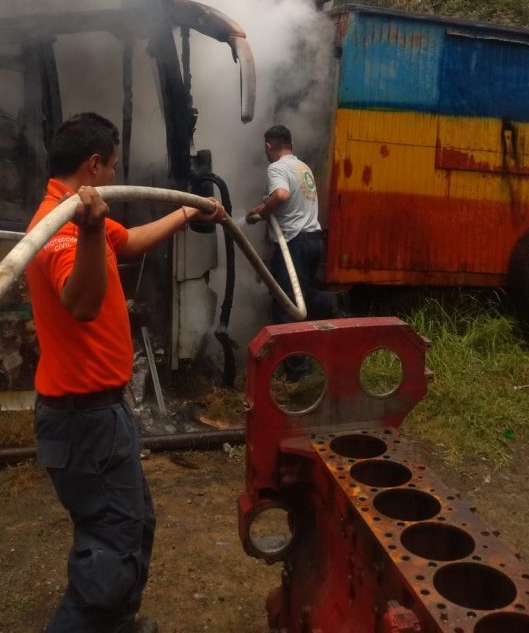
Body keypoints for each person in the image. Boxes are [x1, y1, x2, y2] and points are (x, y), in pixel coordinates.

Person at [26, 112, 225, 633]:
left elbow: (127, 241)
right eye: (112, 166)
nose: (115, 174)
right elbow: (83, 303)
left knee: (135, 528)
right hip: (84, 422)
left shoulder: (81, 217)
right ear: (93, 164)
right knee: (110, 552)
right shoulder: (60, 227)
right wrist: (89, 231)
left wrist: (188, 213)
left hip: (102, 414)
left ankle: (119, 624)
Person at [245, 124, 336, 366]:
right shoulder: (302, 167)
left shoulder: (276, 167)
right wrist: (258, 211)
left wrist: (264, 212)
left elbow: (282, 195)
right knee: (302, 298)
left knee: (286, 307)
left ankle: (296, 370)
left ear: (268, 147)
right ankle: (332, 304)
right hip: (314, 240)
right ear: (290, 144)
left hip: (294, 243)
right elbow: (289, 202)